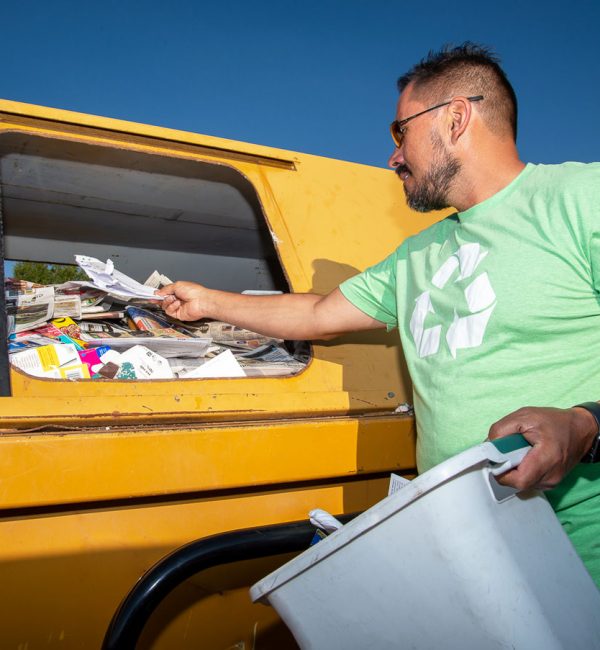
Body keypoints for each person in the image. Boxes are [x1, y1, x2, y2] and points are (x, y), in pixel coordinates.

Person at [159, 43, 600, 587]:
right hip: (468, 551)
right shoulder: (417, 254)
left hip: (581, 552)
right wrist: (208, 302)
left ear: (456, 117)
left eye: (400, 132)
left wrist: (585, 425)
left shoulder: (583, 198)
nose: (392, 156)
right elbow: (320, 313)